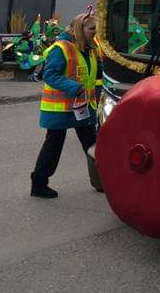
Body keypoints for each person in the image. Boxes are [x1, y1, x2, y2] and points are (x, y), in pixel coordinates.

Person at [30, 11, 103, 198]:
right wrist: (75, 88)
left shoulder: (91, 48)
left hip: (82, 107)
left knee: (93, 145)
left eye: (97, 28)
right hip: (60, 108)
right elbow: (50, 75)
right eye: (91, 29)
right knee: (53, 145)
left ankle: (102, 179)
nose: (95, 32)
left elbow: (97, 75)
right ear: (80, 29)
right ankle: (39, 183)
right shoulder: (61, 48)